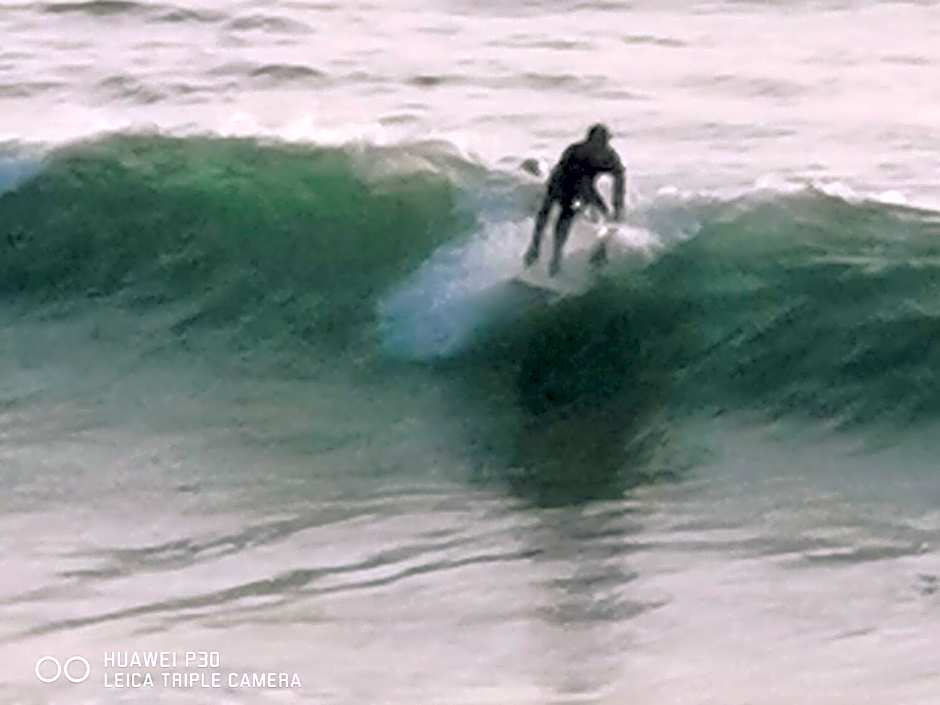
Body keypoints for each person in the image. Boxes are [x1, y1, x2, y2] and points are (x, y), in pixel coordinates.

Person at [523, 124, 625, 276]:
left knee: (607, 216)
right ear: (588, 140)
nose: (599, 146)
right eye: (596, 142)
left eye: (604, 142)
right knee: (554, 213)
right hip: (561, 182)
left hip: (584, 187)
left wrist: (617, 207)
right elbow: (560, 183)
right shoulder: (575, 151)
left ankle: (599, 252)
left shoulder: (610, 157)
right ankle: (541, 251)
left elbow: (619, 180)